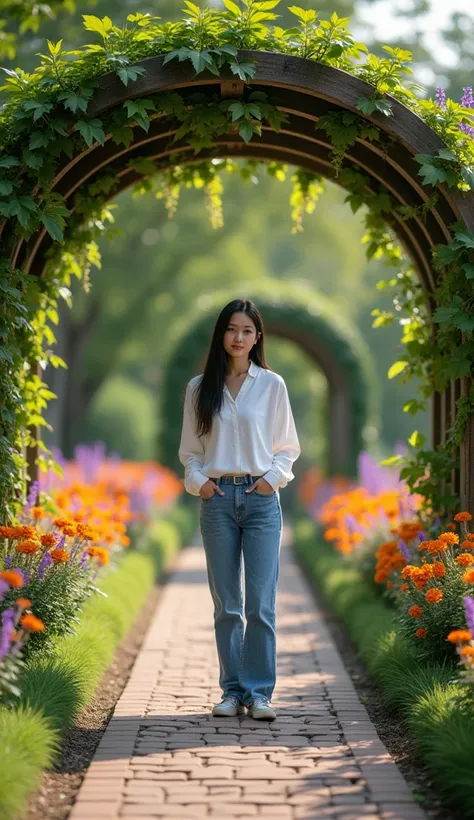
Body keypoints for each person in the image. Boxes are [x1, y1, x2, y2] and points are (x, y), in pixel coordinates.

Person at [178, 299, 301, 721]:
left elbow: (287, 448)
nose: (238, 337)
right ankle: (231, 692)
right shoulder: (199, 388)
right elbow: (190, 452)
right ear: (221, 334)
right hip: (217, 502)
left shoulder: (272, 385)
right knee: (227, 603)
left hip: (262, 501)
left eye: (247, 330)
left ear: (257, 337)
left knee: (261, 604)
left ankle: (259, 694)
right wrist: (202, 486)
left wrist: (271, 479)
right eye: (232, 329)